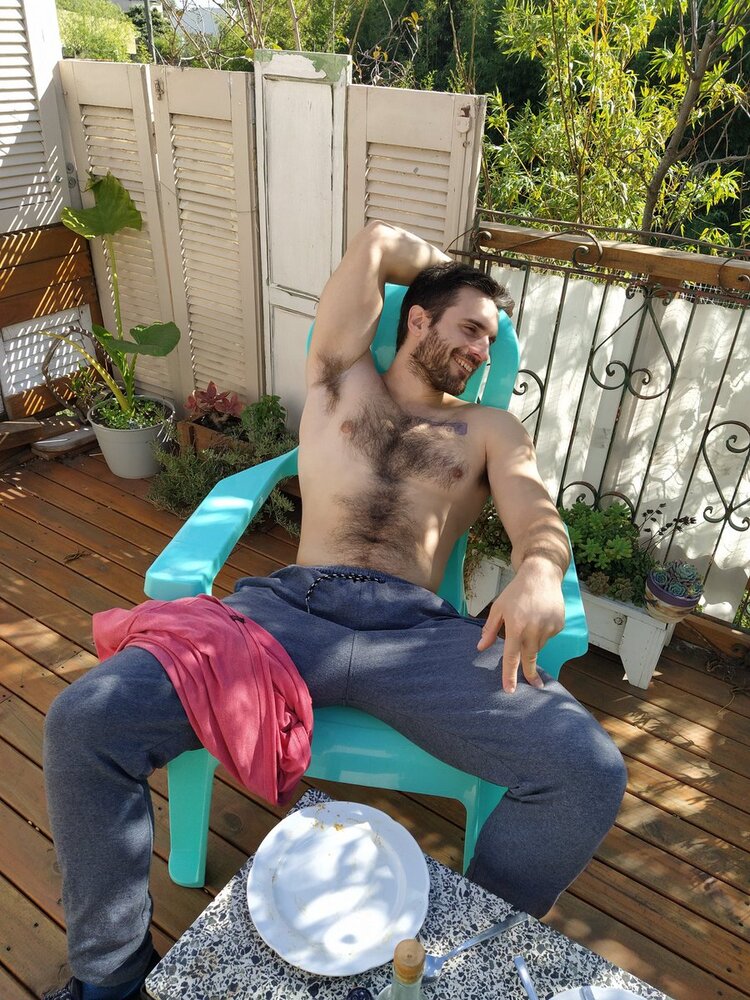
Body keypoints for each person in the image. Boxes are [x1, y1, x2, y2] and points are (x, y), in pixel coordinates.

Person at [42, 222, 627, 1000]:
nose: (483, 352)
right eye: (471, 329)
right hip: (292, 611)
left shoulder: (490, 429)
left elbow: (536, 514)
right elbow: (377, 242)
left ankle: (443, 968)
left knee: (586, 772)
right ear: (416, 318)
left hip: (419, 635)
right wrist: (455, 270)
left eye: (492, 342)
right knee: (86, 721)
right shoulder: (339, 378)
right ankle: (110, 980)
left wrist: (542, 569)